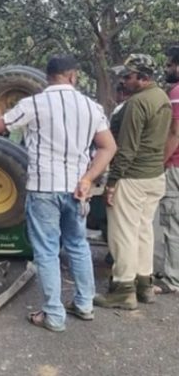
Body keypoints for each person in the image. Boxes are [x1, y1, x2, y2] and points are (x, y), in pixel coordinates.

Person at [0, 55, 117, 332]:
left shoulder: (34, 104)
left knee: (47, 252)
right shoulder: (92, 106)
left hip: (44, 189)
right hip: (78, 190)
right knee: (78, 245)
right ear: (73, 76)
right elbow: (108, 147)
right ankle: (85, 305)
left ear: (47, 77)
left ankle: (54, 316)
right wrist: (89, 178)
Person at [94, 54, 172, 310]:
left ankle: (123, 290)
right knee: (143, 231)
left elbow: (127, 148)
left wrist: (112, 181)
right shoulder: (162, 97)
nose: (123, 81)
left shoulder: (137, 103)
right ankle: (144, 284)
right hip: (154, 175)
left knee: (123, 234)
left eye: (128, 76)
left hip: (133, 177)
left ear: (143, 78)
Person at [156, 45, 179, 294]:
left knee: (173, 222)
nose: (167, 69)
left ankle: (173, 279)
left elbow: (175, 133)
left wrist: (160, 161)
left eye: (170, 65)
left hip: (175, 166)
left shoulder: (176, 92)